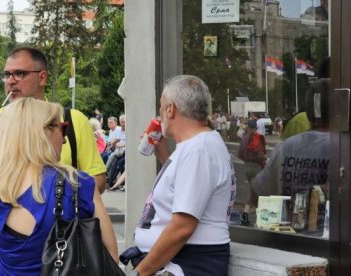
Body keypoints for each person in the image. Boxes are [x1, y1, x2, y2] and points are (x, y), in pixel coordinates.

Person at [0, 46, 106, 275]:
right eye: (7, 75)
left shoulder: (71, 120)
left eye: (20, 74)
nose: (11, 81)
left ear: (42, 77)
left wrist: (67, 199)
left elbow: (97, 178)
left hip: (68, 250)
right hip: (3, 253)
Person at [0, 97, 118, 275]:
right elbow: (111, 256)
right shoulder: (77, 184)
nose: (65, 140)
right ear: (43, 132)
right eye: (63, 128)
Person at [122, 75, 235, 275]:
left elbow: (182, 226)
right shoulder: (197, 146)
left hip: (186, 263)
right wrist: (164, 154)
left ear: (170, 109)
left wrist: (140, 273)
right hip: (180, 262)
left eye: (160, 106)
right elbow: (186, 189)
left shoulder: (199, 149)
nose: (159, 113)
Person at [252, 78, 330, 233]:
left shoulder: (285, 148)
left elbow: (257, 194)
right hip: (330, 243)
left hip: (291, 241)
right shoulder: (342, 147)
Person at [237, 119, 266, 226]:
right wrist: (264, 157)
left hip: (247, 167)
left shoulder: (244, 138)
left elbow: (240, 153)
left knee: (254, 190)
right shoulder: (257, 138)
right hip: (256, 167)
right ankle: (249, 215)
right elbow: (259, 155)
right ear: (255, 128)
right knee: (256, 191)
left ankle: (249, 214)